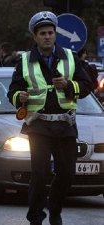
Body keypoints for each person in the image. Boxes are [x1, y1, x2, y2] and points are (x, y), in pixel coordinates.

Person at [7, 11, 92, 225]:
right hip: (39, 126)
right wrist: (21, 97)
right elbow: (13, 91)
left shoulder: (71, 57)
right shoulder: (25, 61)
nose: (47, 36)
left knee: (66, 174)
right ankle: (36, 218)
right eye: (43, 33)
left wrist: (69, 85)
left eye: (51, 33)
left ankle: (55, 209)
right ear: (35, 37)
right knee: (40, 174)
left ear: (56, 35)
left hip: (65, 126)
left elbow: (86, 85)